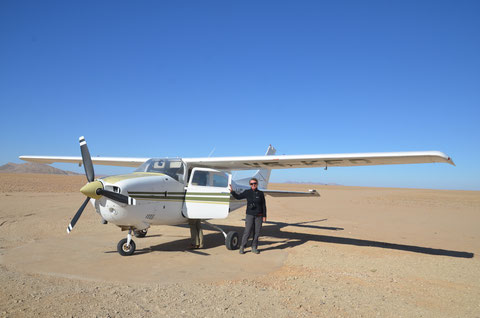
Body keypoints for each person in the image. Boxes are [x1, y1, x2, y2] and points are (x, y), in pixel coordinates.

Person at [229, 178, 267, 254]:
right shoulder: (247, 192)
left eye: (255, 183)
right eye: (251, 184)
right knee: (247, 231)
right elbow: (238, 197)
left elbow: (263, 205)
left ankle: (254, 247)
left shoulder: (260, 193)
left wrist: (264, 216)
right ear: (250, 185)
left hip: (259, 216)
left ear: (257, 184)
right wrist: (232, 192)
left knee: (257, 232)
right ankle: (242, 247)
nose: (253, 185)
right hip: (250, 215)